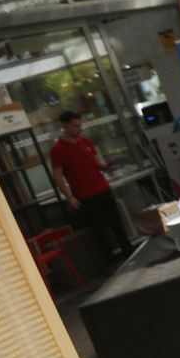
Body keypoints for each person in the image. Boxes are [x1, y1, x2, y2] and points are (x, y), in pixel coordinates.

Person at [50, 111, 133, 263]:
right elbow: (57, 175)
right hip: (84, 195)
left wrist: (106, 166)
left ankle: (128, 251)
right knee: (99, 229)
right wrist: (69, 196)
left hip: (102, 187)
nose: (79, 128)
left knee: (116, 221)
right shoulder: (57, 149)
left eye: (80, 125)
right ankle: (110, 260)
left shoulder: (85, 141)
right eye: (75, 126)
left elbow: (97, 162)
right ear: (65, 126)